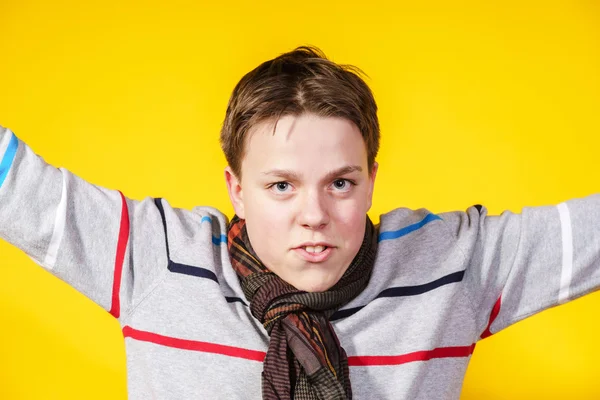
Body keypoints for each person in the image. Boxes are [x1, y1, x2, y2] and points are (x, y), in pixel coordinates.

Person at [1, 45, 599, 400]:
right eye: (280, 186)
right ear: (236, 188)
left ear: (371, 179)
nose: (314, 216)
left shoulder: (449, 264)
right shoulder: (153, 258)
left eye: (341, 183)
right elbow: (16, 184)